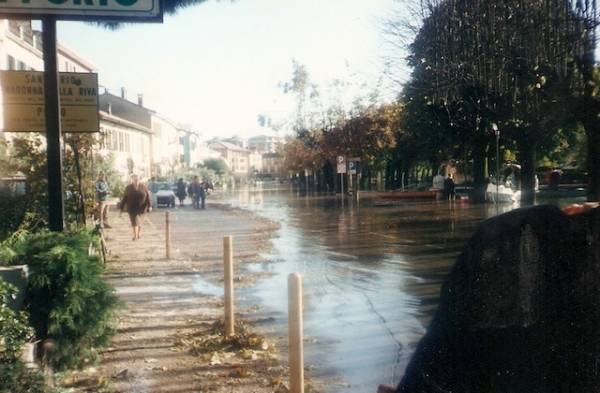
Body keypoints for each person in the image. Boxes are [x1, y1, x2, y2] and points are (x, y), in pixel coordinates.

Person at [119, 174, 152, 241]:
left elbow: (148, 197)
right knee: (134, 222)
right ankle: (135, 236)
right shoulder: (128, 188)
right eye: (134, 179)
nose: (136, 180)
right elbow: (124, 198)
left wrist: (150, 206)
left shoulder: (143, 187)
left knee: (140, 223)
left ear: (139, 180)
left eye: (137, 179)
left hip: (142, 208)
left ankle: (138, 233)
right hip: (132, 208)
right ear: (132, 180)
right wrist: (121, 208)